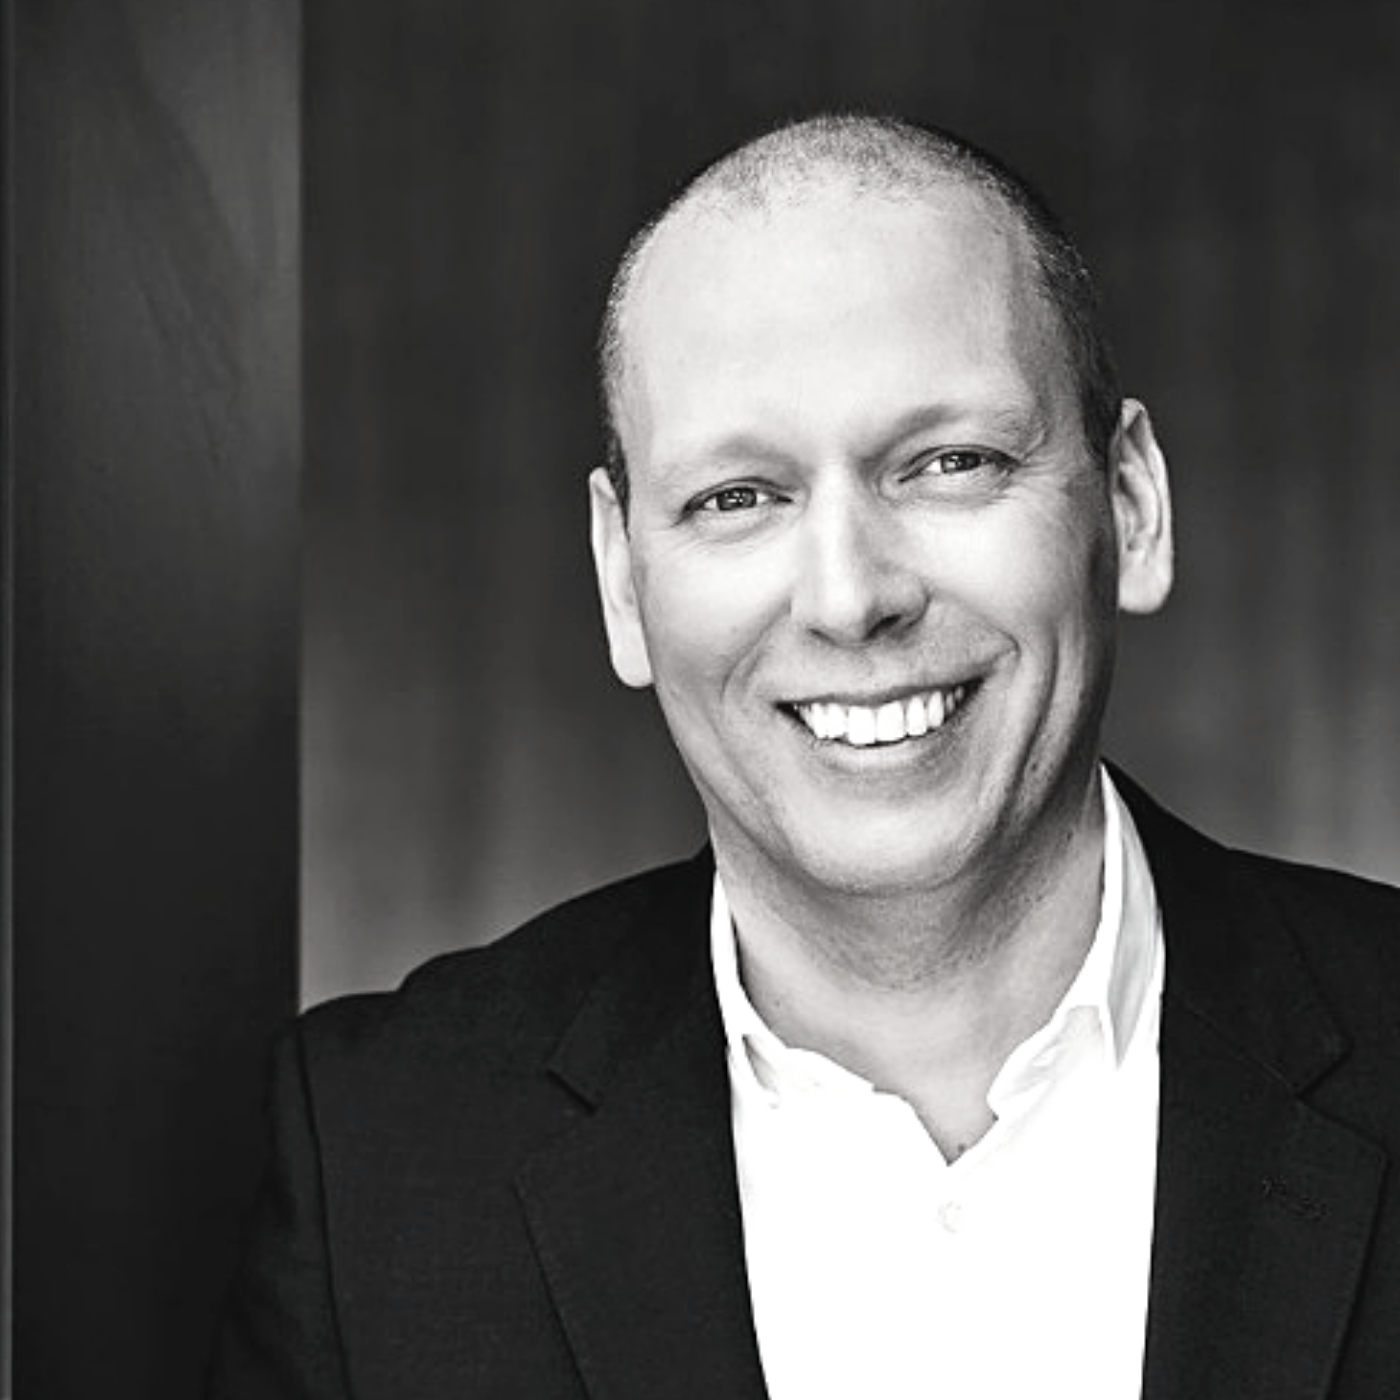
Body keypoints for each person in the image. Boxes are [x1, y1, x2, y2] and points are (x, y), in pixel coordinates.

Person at [208, 114, 1400, 1399]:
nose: (848, 596)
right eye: (736, 496)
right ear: (621, 576)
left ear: (1130, 503)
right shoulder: (377, 1157)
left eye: (949, 462)